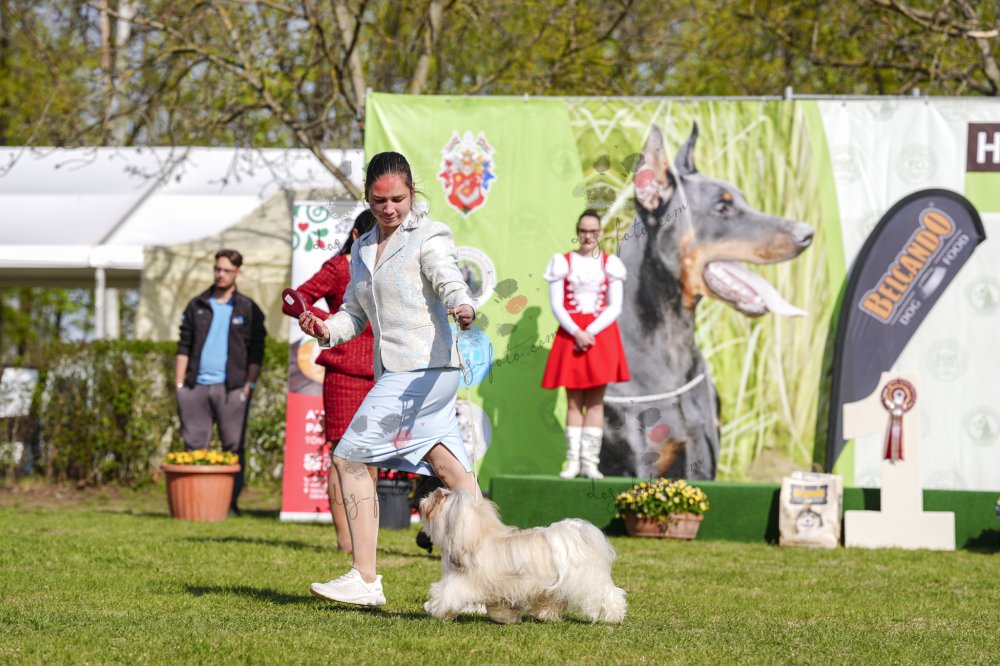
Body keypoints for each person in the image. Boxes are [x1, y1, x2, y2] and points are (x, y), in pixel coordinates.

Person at [298, 151, 478, 607]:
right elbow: (354, 313)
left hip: (419, 371)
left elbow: (447, 276)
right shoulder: (361, 248)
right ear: (367, 198)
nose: (390, 208)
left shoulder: (429, 234)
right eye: (379, 201)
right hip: (411, 374)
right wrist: (325, 329)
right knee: (453, 472)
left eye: (398, 199)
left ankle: (364, 577)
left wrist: (461, 303)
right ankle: (488, 576)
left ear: (412, 193)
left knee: (349, 458)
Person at [288, 210, 376, 553]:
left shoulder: (387, 267)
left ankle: (366, 540)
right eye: (371, 234)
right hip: (343, 371)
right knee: (344, 458)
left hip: (381, 371)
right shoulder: (339, 267)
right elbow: (298, 298)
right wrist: (334, 322)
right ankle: (345, 541)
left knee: (371, 459)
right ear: (355, 235)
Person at [175, 249, 267, 516]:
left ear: (238, 272)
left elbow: (256, 351)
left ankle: (229, 504)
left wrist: (248, 386)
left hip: (233, 389)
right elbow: (183, 345)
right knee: (194, 446)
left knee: (233, 448)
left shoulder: (248, 308)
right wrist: (179, 385)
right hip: (195, 387)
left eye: (227, 270)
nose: (220, 274)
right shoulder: (197, 305)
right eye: (217, 269)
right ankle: (194, 504)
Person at [541, 210, 630, 480]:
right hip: (571, 335)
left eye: (593, 231)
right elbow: (557, 304)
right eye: (583, 231)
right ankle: (573, 461)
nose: (588, 236)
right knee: (573, 401)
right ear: (577, 232)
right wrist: (576, 331)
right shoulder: (563, 262)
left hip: (600, 335)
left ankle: (590, 462)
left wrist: (589, 331)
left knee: (595, 402)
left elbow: (615, 305)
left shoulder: (611, 263)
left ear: (600, 233)